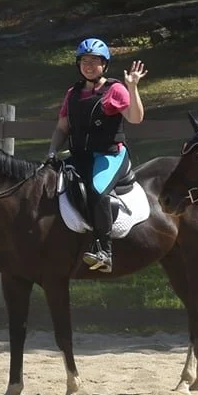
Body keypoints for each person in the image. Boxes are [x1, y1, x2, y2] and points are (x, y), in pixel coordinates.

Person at [50, 38, 147, 271]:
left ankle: (104, 251)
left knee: (97, 190)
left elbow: (135, 118)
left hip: (109, 155)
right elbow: (63, 127)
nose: (89, 65)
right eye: (85, 61)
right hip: (79, 156)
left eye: (95, 61)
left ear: (105, 64)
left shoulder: (115, 89)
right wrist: (52, 151)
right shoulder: (73, 93)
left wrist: (132, 87)